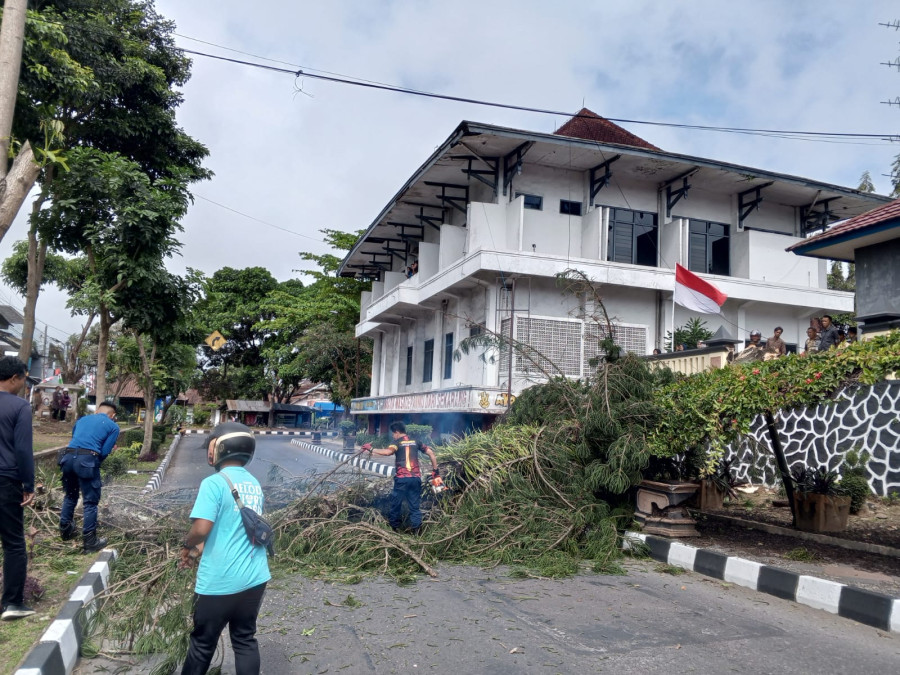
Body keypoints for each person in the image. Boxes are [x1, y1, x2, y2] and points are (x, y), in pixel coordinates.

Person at [179, 422, 270, 675]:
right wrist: (198, 552)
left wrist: (187, 546)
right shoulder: (254, 484)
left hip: (220, 581)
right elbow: (232, 529)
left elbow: (202, 528)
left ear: (220, 448)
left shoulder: (214, 483)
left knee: (202, 644)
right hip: (255, 578)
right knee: (244, 639)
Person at [58, 402, 120, 552]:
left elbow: (75, 439)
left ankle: (65, 530)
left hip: (67, 457)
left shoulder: (82, 420)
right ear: (113, 416)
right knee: (90, 502)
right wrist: (92, 465)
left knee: (70, 495)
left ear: (98, 410)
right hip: (86, 461)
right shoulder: (113, 427)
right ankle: (90, 541)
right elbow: (104, 452)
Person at [0, 357, 35, 621]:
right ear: (14, 377)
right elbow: (23, 449)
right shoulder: (20, 407)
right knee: (13, 543)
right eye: (24, 378)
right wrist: (29, 484)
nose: (24, 384)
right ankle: (12, 603)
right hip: (6, 480)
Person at [361, 421, 439, 532]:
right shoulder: (416, 441)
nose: (393, 435)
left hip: (402, 480)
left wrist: (371, 449)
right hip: (415, 478)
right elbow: (431, 453)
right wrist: (435, 471)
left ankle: (394, 529)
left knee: (395, 505)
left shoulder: (397, 443)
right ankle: (417, 531)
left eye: (393, 433)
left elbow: (388, 452)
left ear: (397, 432)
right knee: (415, 507)